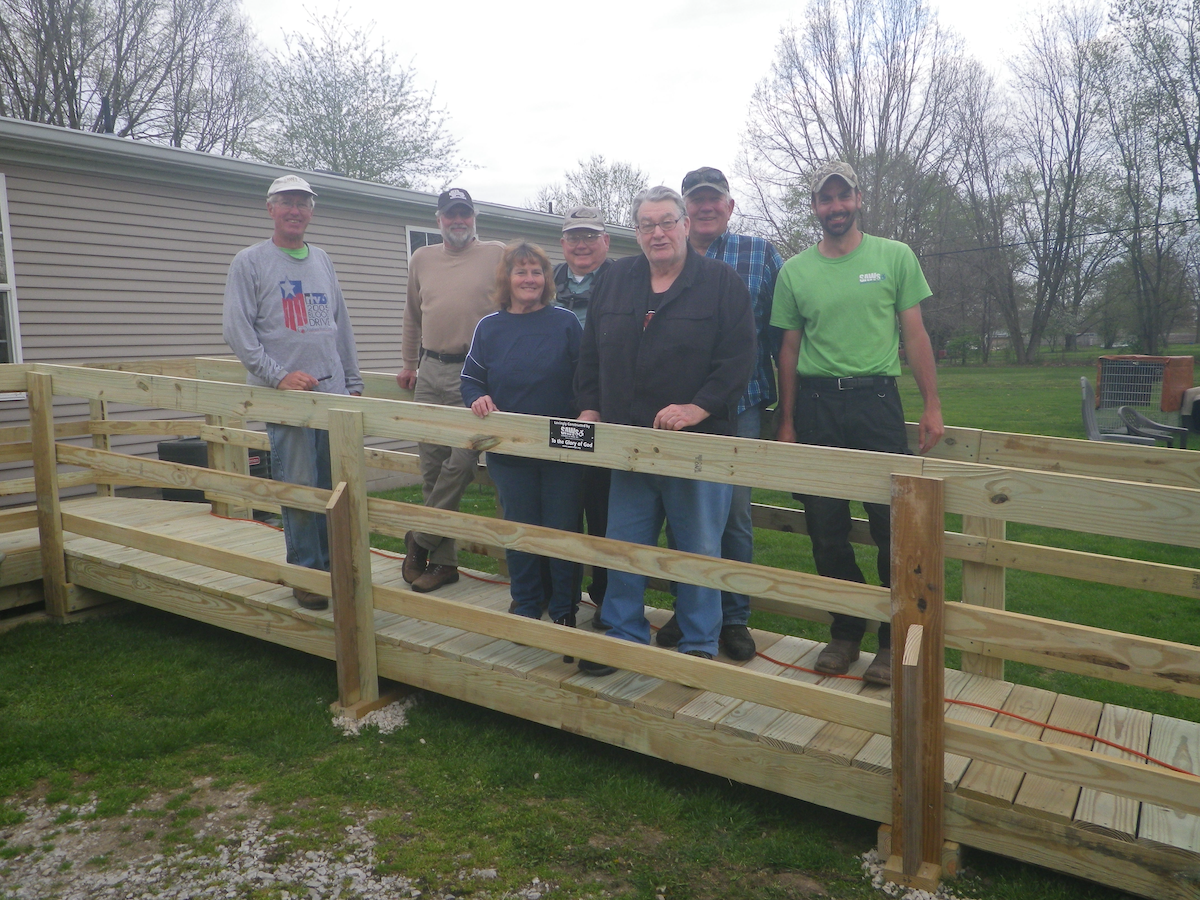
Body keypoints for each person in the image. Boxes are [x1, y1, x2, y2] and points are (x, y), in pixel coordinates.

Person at [771, 160, 944, 686]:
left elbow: (914, 335)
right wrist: (787, 420)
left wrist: (932, 404)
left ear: (858, 198)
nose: (835, 207)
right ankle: (845, 631)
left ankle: (892, 643)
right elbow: (789, 349)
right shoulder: (795, 271)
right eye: (825, 199)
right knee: (825, 527)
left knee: (890, 525)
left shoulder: (894, 256)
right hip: (818, 405)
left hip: (877, 405)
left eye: (842, 197)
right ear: (815, 207)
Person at [574, 186, 755, 675]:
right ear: (636, 232)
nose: (658, 233)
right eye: (647, 224)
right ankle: (622, 634)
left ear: (686, 225)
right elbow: (591, 352)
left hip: (696, 447)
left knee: (697, 549)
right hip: (628, 444)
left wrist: (698, 408)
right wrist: (589, 408)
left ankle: (698, 646)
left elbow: (738, 361)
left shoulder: (721, 283)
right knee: (625, 546)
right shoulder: (614, 280)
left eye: (667, 222)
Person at [654, 167, 784, 661]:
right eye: (697, 201)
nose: (706, 208)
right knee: (678, 509)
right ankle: (690, 607)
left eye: (715, 201)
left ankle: (733, 618)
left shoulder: (760, 253)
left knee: (733, 517)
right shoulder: (666, 254)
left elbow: (781, 334)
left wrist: (785, 409)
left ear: (730, 207)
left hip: (741, 404)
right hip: (672, 409)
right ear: (685, 211)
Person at [222, 173, 363, 611]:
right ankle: (308, 573)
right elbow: (238, 332)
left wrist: (353, 383)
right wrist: (278, 375)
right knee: (299, 485)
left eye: (303, 203)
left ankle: (334, 568)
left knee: (332, 485)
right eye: (287, 202)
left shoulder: (322, 259)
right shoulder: (250, 262)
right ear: (271, 208)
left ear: (311, 211)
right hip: (285, 397)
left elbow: (339, 327)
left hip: (332, 395)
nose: (295, 211)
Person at [461, 242, 584, 630]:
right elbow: (470, 379)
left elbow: (586, 379)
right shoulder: (490, 326)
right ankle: (527, 603)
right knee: (519, 526)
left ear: (546, 279)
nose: (529, 279)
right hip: (509, 450)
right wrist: (478, 397)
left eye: (536, 272)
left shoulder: (565, 322)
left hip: (561, 448)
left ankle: (564, 607)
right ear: (507, 279)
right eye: (521, 271)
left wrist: (588, 413)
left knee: (562, 528)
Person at [397, 188, 505, 593]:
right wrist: (409, 363)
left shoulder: (497, 254)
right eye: (449, 215)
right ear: (439, 219)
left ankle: (419, 538)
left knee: (461, 463)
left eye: (464, 213)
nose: (457, 220)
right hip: (430, 371)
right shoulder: (421, 258)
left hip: (475, 375)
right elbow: (412, 313)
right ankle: (443, 564)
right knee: (431, 468)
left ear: (474, 216)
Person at [554, 206, 614, 630]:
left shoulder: (622, 280)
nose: (582, 244)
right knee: (561, 505)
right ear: (563, 243)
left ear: (605, 242)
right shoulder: (546, 280)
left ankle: (607, 596)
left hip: (604, 407)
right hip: (555, 406)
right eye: (574, 236)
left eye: (590, 236)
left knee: (605, 506)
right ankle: (561, 597)